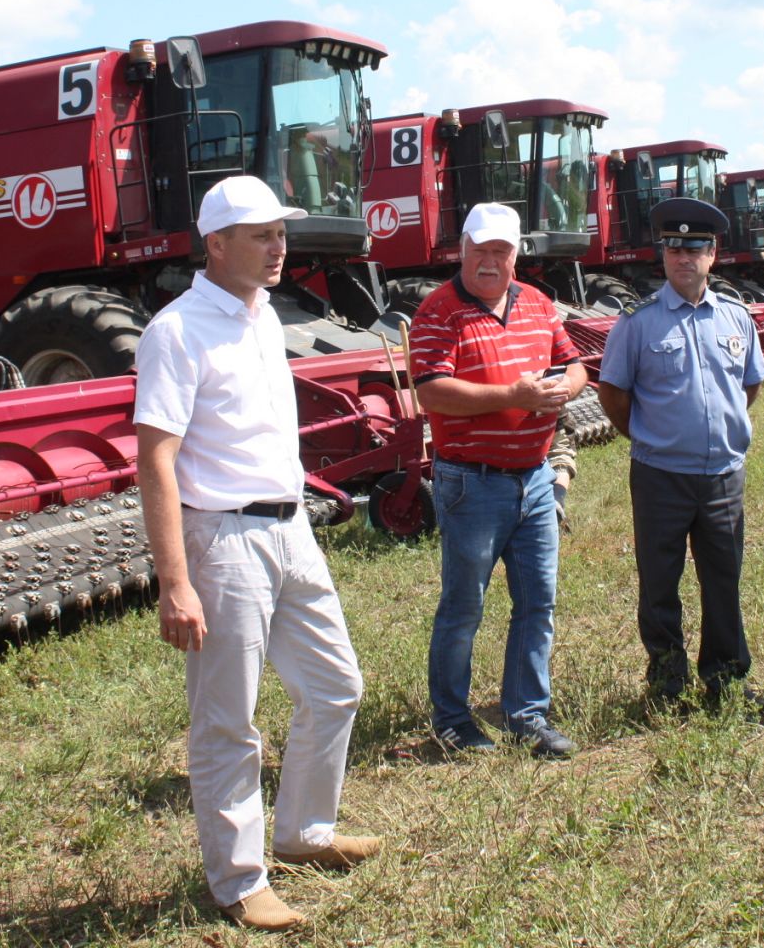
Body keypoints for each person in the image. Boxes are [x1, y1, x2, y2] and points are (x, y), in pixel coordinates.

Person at [133, 175, 380, 934]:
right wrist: (175, 581)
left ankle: (304, 832)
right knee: (228, 721)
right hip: (223, 538)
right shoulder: (175, 332)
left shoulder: (264, 315)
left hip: (288, 528)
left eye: (281, 233)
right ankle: (238, 881)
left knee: (337, 684)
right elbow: (155, 459)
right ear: (217, 243)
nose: (280, 248)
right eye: (263, 235)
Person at [410, 202, 590, 758]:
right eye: (480, 250)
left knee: (538, 602)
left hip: (535, 479)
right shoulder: (439, 312)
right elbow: (432, 391)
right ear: (462, 249)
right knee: (464, 607)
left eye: (501, 251)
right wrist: (515, 396)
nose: (490, 262)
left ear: (517, 254)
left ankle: (526, 716)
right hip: (472, 482)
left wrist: (568, 388)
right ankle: (453, 720)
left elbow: (575, 363)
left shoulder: (536, 303)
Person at [596, 197, 764, 709]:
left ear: (712, 255)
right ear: (663, 256)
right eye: (673, 248)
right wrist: (652, 436)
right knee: (659, 583)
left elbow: (749, 386)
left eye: (694, 248)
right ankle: (667, 683)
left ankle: (726, 677)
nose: (683, 258)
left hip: (722, 475)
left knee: (723, 579)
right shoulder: (638, 323)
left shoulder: (738, 318)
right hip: (660, 476)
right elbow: (613, 394)